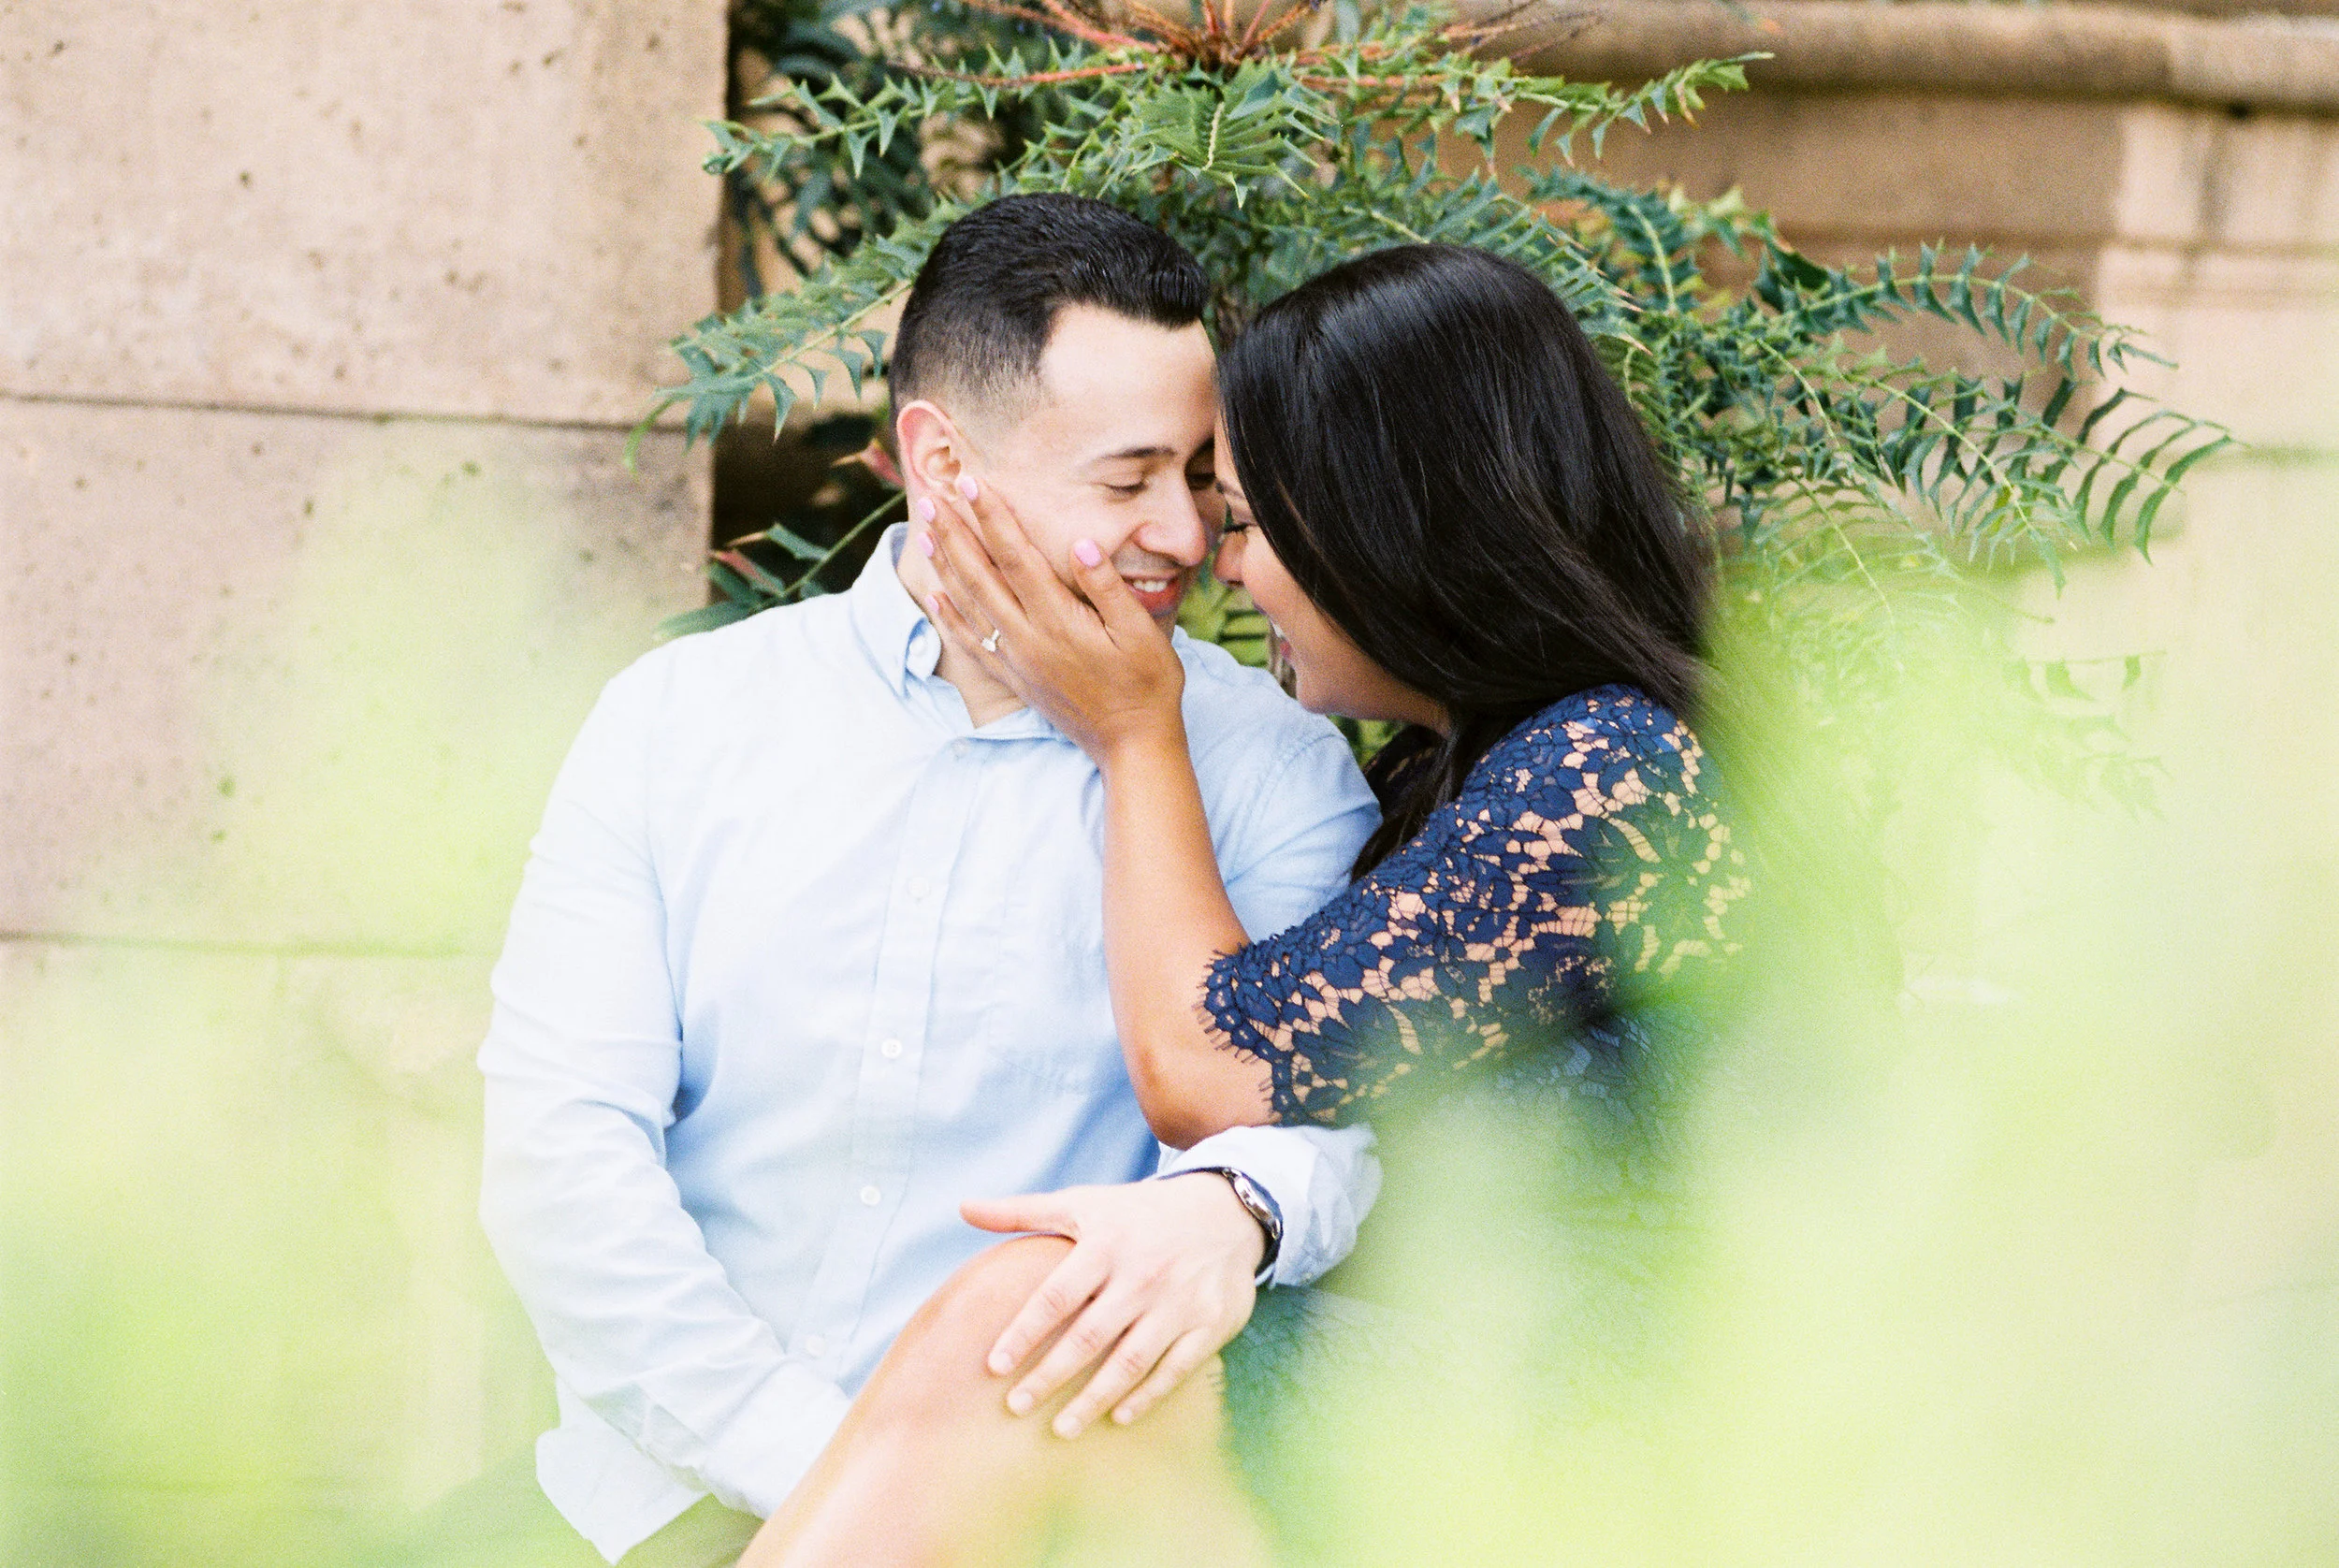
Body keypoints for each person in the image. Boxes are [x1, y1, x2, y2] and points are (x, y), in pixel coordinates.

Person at [475, 195, 1383, 1568]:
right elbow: (562, 1163)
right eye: (1127, 477)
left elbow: (1332, 1127)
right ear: (940, 461)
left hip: (1041, 1523)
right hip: (643, 1507)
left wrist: (1237, 1207)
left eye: (1197, 476)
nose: (1188, 538)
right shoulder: (677, 723)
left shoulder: (1271, 770)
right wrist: (837, 1488)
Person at [852, 240, 1762, 1552]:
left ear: (1391, 524)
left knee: (1027, 1329)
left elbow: (1215, 1065)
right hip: (1462, 1381)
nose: (1226, 567)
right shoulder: (1485, 767)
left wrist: (1132, 733)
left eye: (1249, 522)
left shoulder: (1605, 772)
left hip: (1602, 1443)